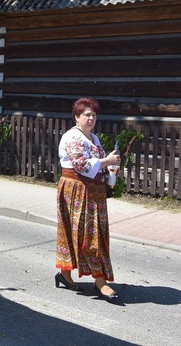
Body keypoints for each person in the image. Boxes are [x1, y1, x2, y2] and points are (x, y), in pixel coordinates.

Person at [55, 97, 121, 302]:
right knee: (85, 235)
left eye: (94, 115)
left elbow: (96, 164)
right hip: (76, 190)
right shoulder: (73, 137)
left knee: (94, 234)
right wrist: (106, 161)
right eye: (87, 115)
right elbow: (81, 164)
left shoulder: (93, 137)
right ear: (76, 117)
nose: (91, 118)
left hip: (93, 191)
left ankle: (65, 275)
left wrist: (110, 167)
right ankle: (100, 281)